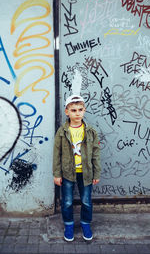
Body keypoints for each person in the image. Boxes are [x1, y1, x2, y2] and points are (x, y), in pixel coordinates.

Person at [53, 94, 101, 242]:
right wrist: (57, 174)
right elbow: (57, 154)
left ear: (84, 110)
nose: (77, 113)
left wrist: (96, 173)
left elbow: (95, 154)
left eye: (80, 109)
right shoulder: (62, 132)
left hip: (86, 173)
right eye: (73, 110)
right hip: (67, 173)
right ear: (67, 112)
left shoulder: (91, 131)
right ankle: (69, 225)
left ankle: (86, 224)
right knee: (67, 201)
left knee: (86, 201)